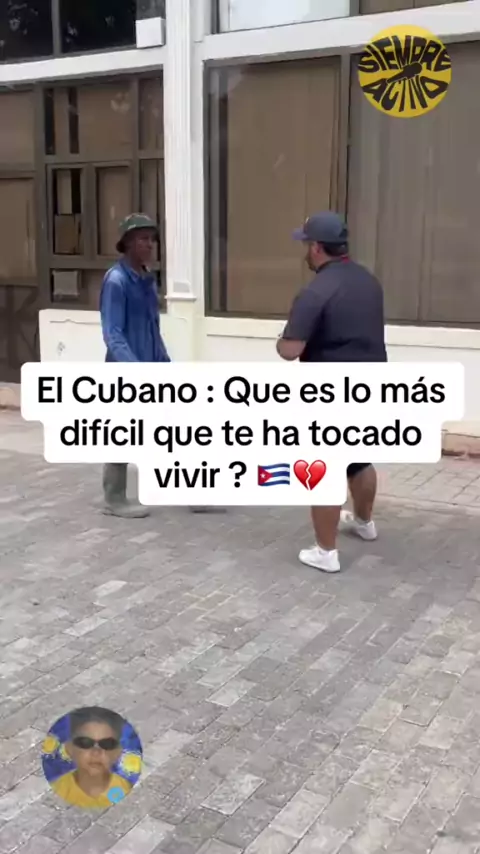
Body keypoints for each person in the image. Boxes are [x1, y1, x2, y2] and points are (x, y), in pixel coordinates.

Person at [276, 211, 387, 574]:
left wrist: (281, 341)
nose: (305, 252)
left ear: (316, 248)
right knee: (359, 458)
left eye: (306, 244)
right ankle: (364, 523)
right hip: (370, 386)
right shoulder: (369, 282)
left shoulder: (315, 291)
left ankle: (326, 552)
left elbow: (290, 349)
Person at [100, 213, 170, 518]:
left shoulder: (146, 278)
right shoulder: (116, 281)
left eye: (152, 239)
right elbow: (113, 334)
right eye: (143, 239)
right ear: (127, 243)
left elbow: (153, 328)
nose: (150, 245)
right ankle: (114, 498)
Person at [52, 706, 131, 809]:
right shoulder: (59, 788)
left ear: (118, 752)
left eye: (107, 744)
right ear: (69, 748)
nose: (96, 752)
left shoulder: (125, 788)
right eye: (85, 743)